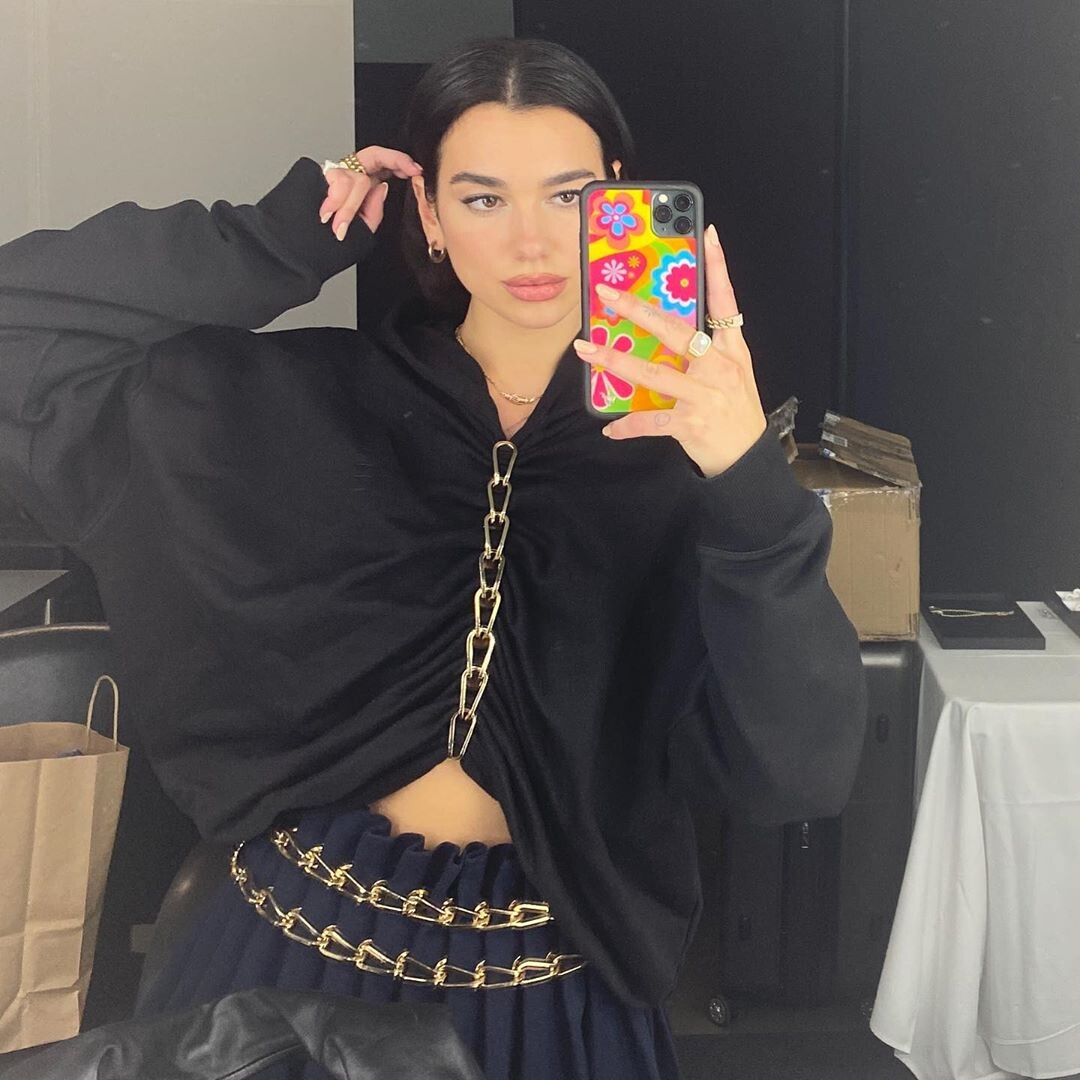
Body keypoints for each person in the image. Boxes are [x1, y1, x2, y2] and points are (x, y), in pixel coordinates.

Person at [0, 35, 868, 1080]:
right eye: (483, 197)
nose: (531, 241)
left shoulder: (688, 458)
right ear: (429, 213)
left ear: (618, 199)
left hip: (553, 992)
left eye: (568, 195)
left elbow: (800, 770)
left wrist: (746, 478)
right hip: (291, 963)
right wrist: (277, 238)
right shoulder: (314, 403)